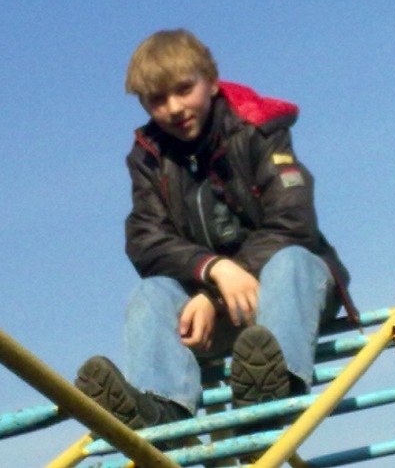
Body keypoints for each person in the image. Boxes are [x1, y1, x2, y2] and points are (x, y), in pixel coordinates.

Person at [76, 29, 357, 431]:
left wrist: (214, 295)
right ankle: (160, 409)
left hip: (285, 300)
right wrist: (212, 270)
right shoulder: (148, 157)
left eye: (183, 90)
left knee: (292, 261)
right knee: (151, 292)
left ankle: (274, 388)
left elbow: (293, 222)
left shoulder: (256, 127)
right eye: (158, 100)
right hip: (209, 321)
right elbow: (144, 239)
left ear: (210, 81)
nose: (174, 108)